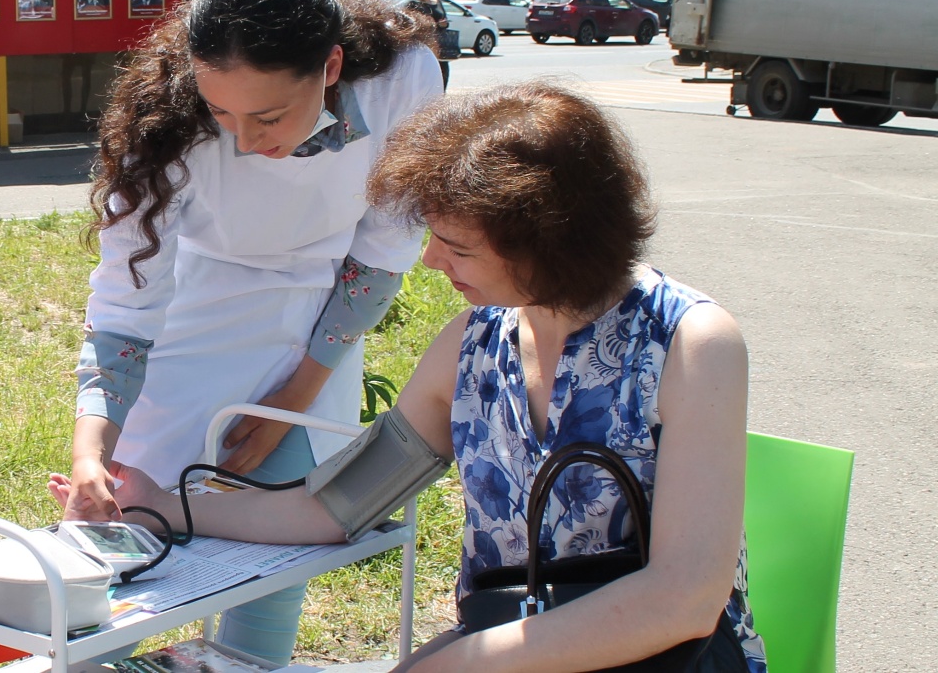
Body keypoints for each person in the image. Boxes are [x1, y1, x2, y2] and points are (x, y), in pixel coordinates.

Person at [52, 82, 764, 673]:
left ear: (550, 239)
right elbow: (336, 507)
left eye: (455, 246)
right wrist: (166, 506)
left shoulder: (691, 344)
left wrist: (452, 662)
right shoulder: (473, 347)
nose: (430, 264)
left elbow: (684, 601)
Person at [63, 0, 443, 667]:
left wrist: (295, 392)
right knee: (119, 558)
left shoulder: (403, 79)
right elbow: (125, 300)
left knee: (270, 556)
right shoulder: (162, 119)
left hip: (322, 317)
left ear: (330, 68)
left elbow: (385, 250)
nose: (244, 140)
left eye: (267, 115)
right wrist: (91, 449)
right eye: (221, 114)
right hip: (195, 316)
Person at [405, 0, 451, 87]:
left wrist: (443, 24)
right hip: (422, 43)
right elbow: (407, 22)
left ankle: (441, 97)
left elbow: (444, 19)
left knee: (443, 70)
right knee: (425, 73)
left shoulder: (438, 2)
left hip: (439, 43)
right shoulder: (413, 3)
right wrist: (427, 24)